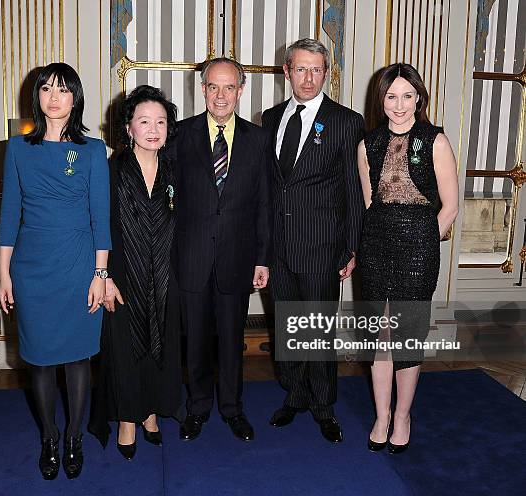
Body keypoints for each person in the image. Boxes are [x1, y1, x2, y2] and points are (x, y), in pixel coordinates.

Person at [0, 62, 110, 480]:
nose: (54, 97)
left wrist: (100, 275)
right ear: (37, 97)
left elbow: (101, 217)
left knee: (79, 360)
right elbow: (9, 216)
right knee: (40, 361)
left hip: (79, 266)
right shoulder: (16, 149)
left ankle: (74, 437)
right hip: (31, 269)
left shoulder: (93, 150)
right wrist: (4, 274)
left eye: (63, 90)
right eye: (46, 89)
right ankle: (49, 437)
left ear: (75, 97)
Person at [261, 38, 365, 443]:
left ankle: (324, 406)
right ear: (286, 71)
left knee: (319, 330)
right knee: (288, 327)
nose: (308, 78)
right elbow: (269, 187)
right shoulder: (269, 118)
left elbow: (354, 191)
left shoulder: (346, 121)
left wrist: (351, 247)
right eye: (300, 69)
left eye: (316, 70)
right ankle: (295, 396)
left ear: (327, 73)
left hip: (323, 245)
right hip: (278, 246)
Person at [357, 63, 458, 454]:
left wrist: (423, 241)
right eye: (391, 96)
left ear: (419, 98)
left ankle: (403, 416)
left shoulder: (435, 141)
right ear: (381, 100)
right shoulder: (367, 144)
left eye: (407, 96)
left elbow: (448, 206)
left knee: (406, 335)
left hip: (418, 245)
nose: (399, 105)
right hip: (376, 245)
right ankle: (382, 415)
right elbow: (369, 203)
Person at [173, 58, 272, 442]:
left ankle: (232, 409)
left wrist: (262, 257)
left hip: (238, 258)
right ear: (202, 89)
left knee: (232, 341)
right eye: (213, 86)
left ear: (241, 91)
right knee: (195, 340)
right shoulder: (179, 135)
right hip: (191, 257)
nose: (220, 95)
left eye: (229, 87)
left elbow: (264, 203)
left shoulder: (258, 140)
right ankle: (197, 408)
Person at [88, 85, 181, 461]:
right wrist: (104, 276)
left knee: (162, 345)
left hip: (165, 277)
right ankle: (127, 418)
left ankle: (151, 412)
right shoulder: (110, 170)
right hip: (122, 276)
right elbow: (99, 225)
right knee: (124, 348)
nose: (153, 128)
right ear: (128, 127)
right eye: (144, 121)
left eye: (160, 121)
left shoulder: (175, 170)